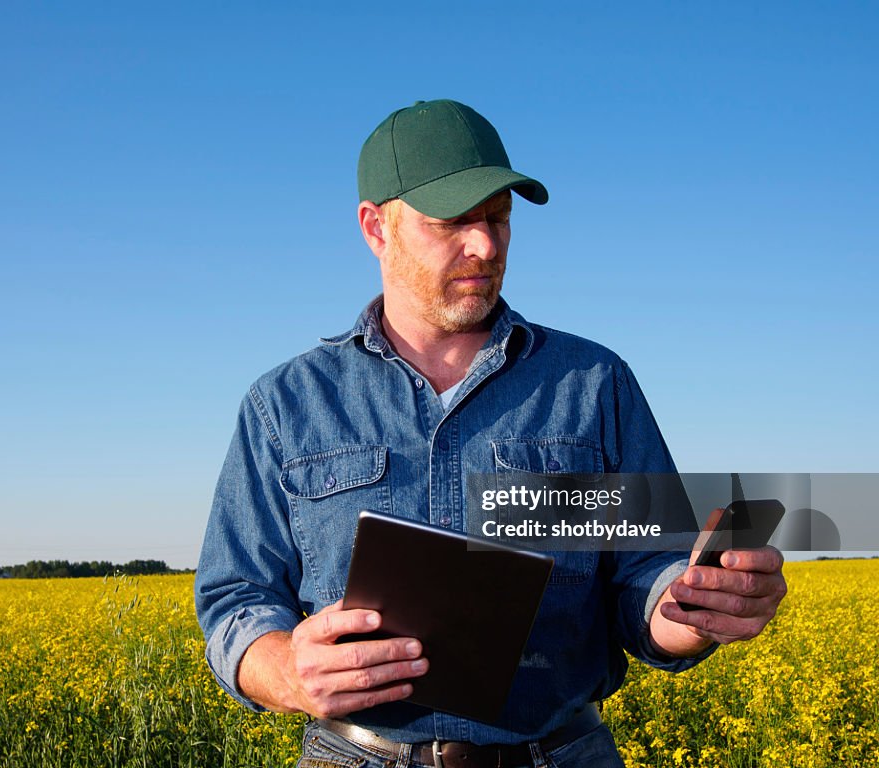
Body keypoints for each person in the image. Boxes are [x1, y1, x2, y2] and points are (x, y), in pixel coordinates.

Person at [194, 99, 787, 768]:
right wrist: (283, 669)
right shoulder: (284, 403)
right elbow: (235, 598)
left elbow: (646, 576)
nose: (485, 246)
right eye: (452, 223)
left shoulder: (594, 382)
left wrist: (695, 608)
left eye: (499, 220)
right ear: (375, 227)